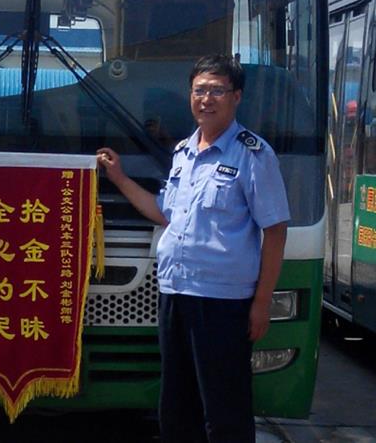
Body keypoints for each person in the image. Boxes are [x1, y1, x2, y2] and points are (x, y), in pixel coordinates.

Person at [97, 54, 289, 443]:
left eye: (217, 90)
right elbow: (164, 213)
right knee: (176, 407)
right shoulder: (184, 152)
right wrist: (119, 178)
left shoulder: (253, 154)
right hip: (175, 294)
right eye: (199, 90)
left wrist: (261, 302)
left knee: (224, 411)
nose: (206, 99)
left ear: (236, 97)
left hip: (222, 303)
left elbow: (275, 230)